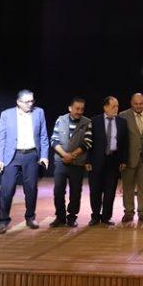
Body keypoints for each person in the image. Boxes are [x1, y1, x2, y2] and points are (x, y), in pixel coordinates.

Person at [0, 89, 49, 233]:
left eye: (32, 101)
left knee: (31, 189)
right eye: (27, 102)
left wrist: (44, 155)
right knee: (7, 190)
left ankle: (30, 217)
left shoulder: (39, 112)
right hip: (12, 156)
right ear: (18, 102)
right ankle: (3, 221)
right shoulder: (6, 114)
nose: (30, 104)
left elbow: (43, 136)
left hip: (31, 155)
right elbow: (0, 138)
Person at [50, 97, 93, 227]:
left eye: (82, 109)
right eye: (77, 108)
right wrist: (65, 155)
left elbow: (87, 143)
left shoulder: (87, 122)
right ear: (70, 108)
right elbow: (54, 140)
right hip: (61, 161)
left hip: (77, 162)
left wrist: (72, 155)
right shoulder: (60, 120)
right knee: (58, 191)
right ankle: (60, 217)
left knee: (75, 192)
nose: (79, 111)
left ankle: (72, 217)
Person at [86, 96, 128, 226]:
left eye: (117, 106)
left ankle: (106, 217)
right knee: (95, 190)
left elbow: (125, 143)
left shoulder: (122, 122)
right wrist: (87, 161)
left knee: (110, 191)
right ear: (105, 107)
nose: (116, 109)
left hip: (113, 161)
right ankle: (95, 216)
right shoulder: (94, 121)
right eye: (113, 106)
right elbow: (88, 143)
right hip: (96, 161)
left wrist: (124, 160)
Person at [118, 93, 143, 223]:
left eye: (141, 103)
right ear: (131, 103)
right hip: (129, 158)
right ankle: (128, 213)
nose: (138, 106)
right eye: (136, 104)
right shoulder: (123, 115)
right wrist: (121, 159)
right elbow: (120, 139)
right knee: (128, 187)